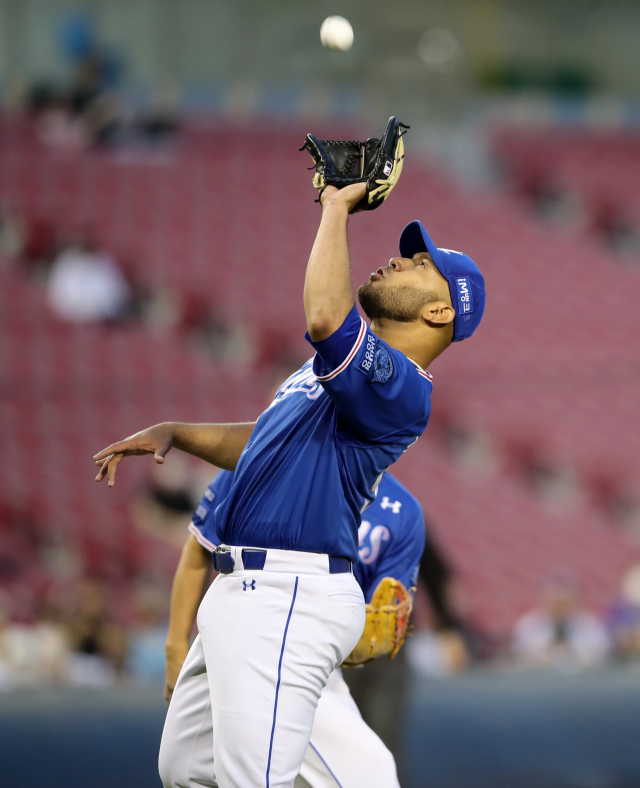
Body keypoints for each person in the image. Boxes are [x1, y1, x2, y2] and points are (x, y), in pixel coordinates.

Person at [94, 180, 485, 788]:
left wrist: (336, 208)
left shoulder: (402, 386)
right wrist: (178, 432)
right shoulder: (335, 374)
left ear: (440, 311)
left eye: (421, 264)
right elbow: (266, 440)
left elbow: (326, 316)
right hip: (244, 589)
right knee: (188, 771)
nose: (400, 258)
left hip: (288, 591)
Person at [161, 469, 424, 788]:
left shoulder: (403, 511)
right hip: (251, 611)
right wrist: (175, 646)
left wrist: (363, 639)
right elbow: (200, 549)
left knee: (186, 769)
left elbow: (378, 618)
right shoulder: (268, 452)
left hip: (310, 648)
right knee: (370, 776)